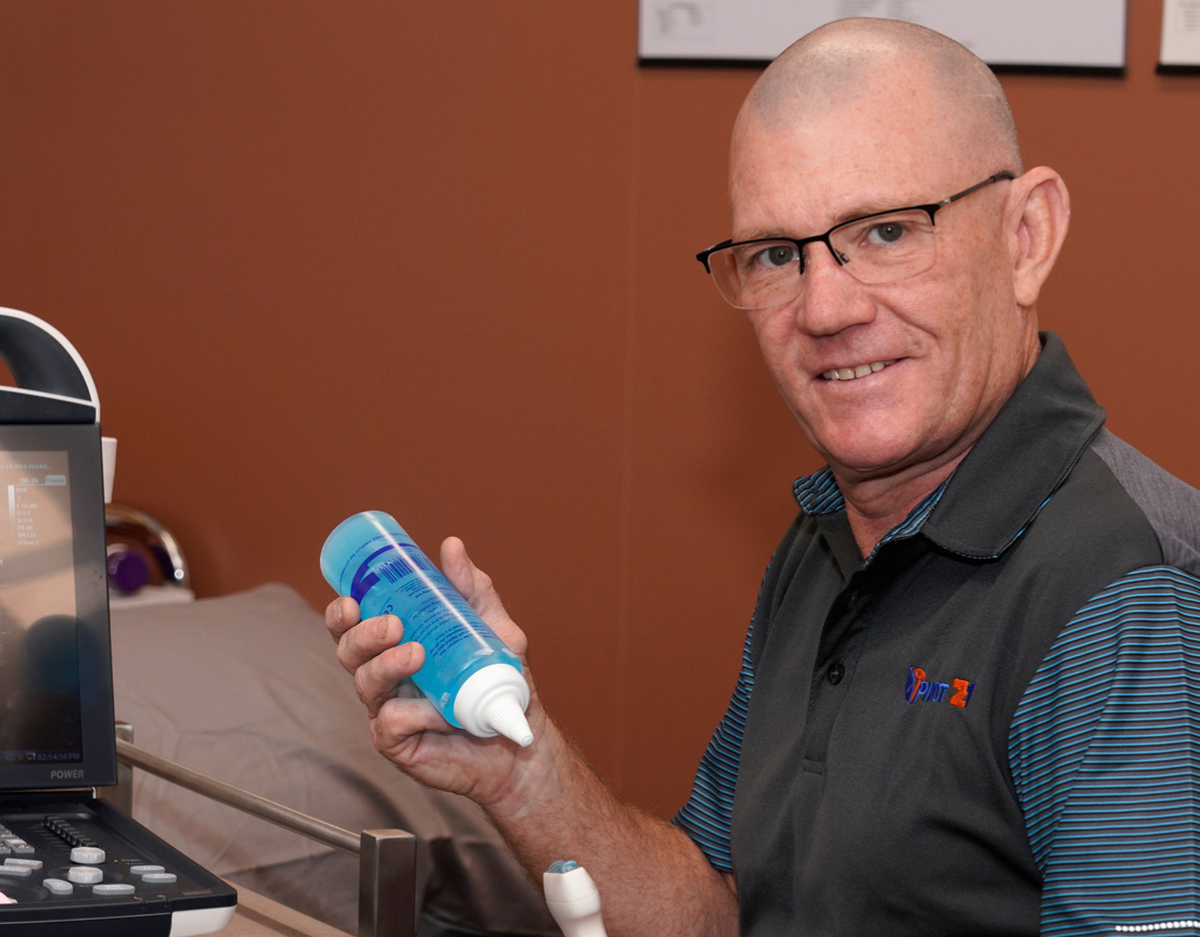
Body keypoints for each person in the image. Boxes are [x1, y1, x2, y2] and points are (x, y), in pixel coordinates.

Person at [327, 17, 1200, 936]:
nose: (825, 308)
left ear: (1026, 236)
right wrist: (522, 764)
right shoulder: (834, 542)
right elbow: (724, 907)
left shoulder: (1126, 592)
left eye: (889, 232)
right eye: (779, 255)